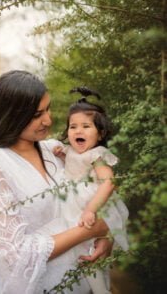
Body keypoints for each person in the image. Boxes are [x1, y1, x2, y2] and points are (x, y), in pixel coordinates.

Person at [0, 70, 127, 294]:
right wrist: (92, 231)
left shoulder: (55, 150)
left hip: (85, 282)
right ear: (11, 115)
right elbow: (14, 256)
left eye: (48, 109)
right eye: (37, 114)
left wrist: (106, 236)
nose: (48, 120)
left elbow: (98, 193)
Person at [53, 86, 129, 293]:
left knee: (91, 250)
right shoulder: (70, 150)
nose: (78, 131)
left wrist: (91, 210)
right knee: (78, 249)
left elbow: (108, 182)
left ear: (101, 133)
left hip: (87, 203)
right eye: (73, 126)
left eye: (86, 126)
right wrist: (62, 156)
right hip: (69, 203)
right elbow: (74, 164)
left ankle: (101, 289)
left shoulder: (97, 155)